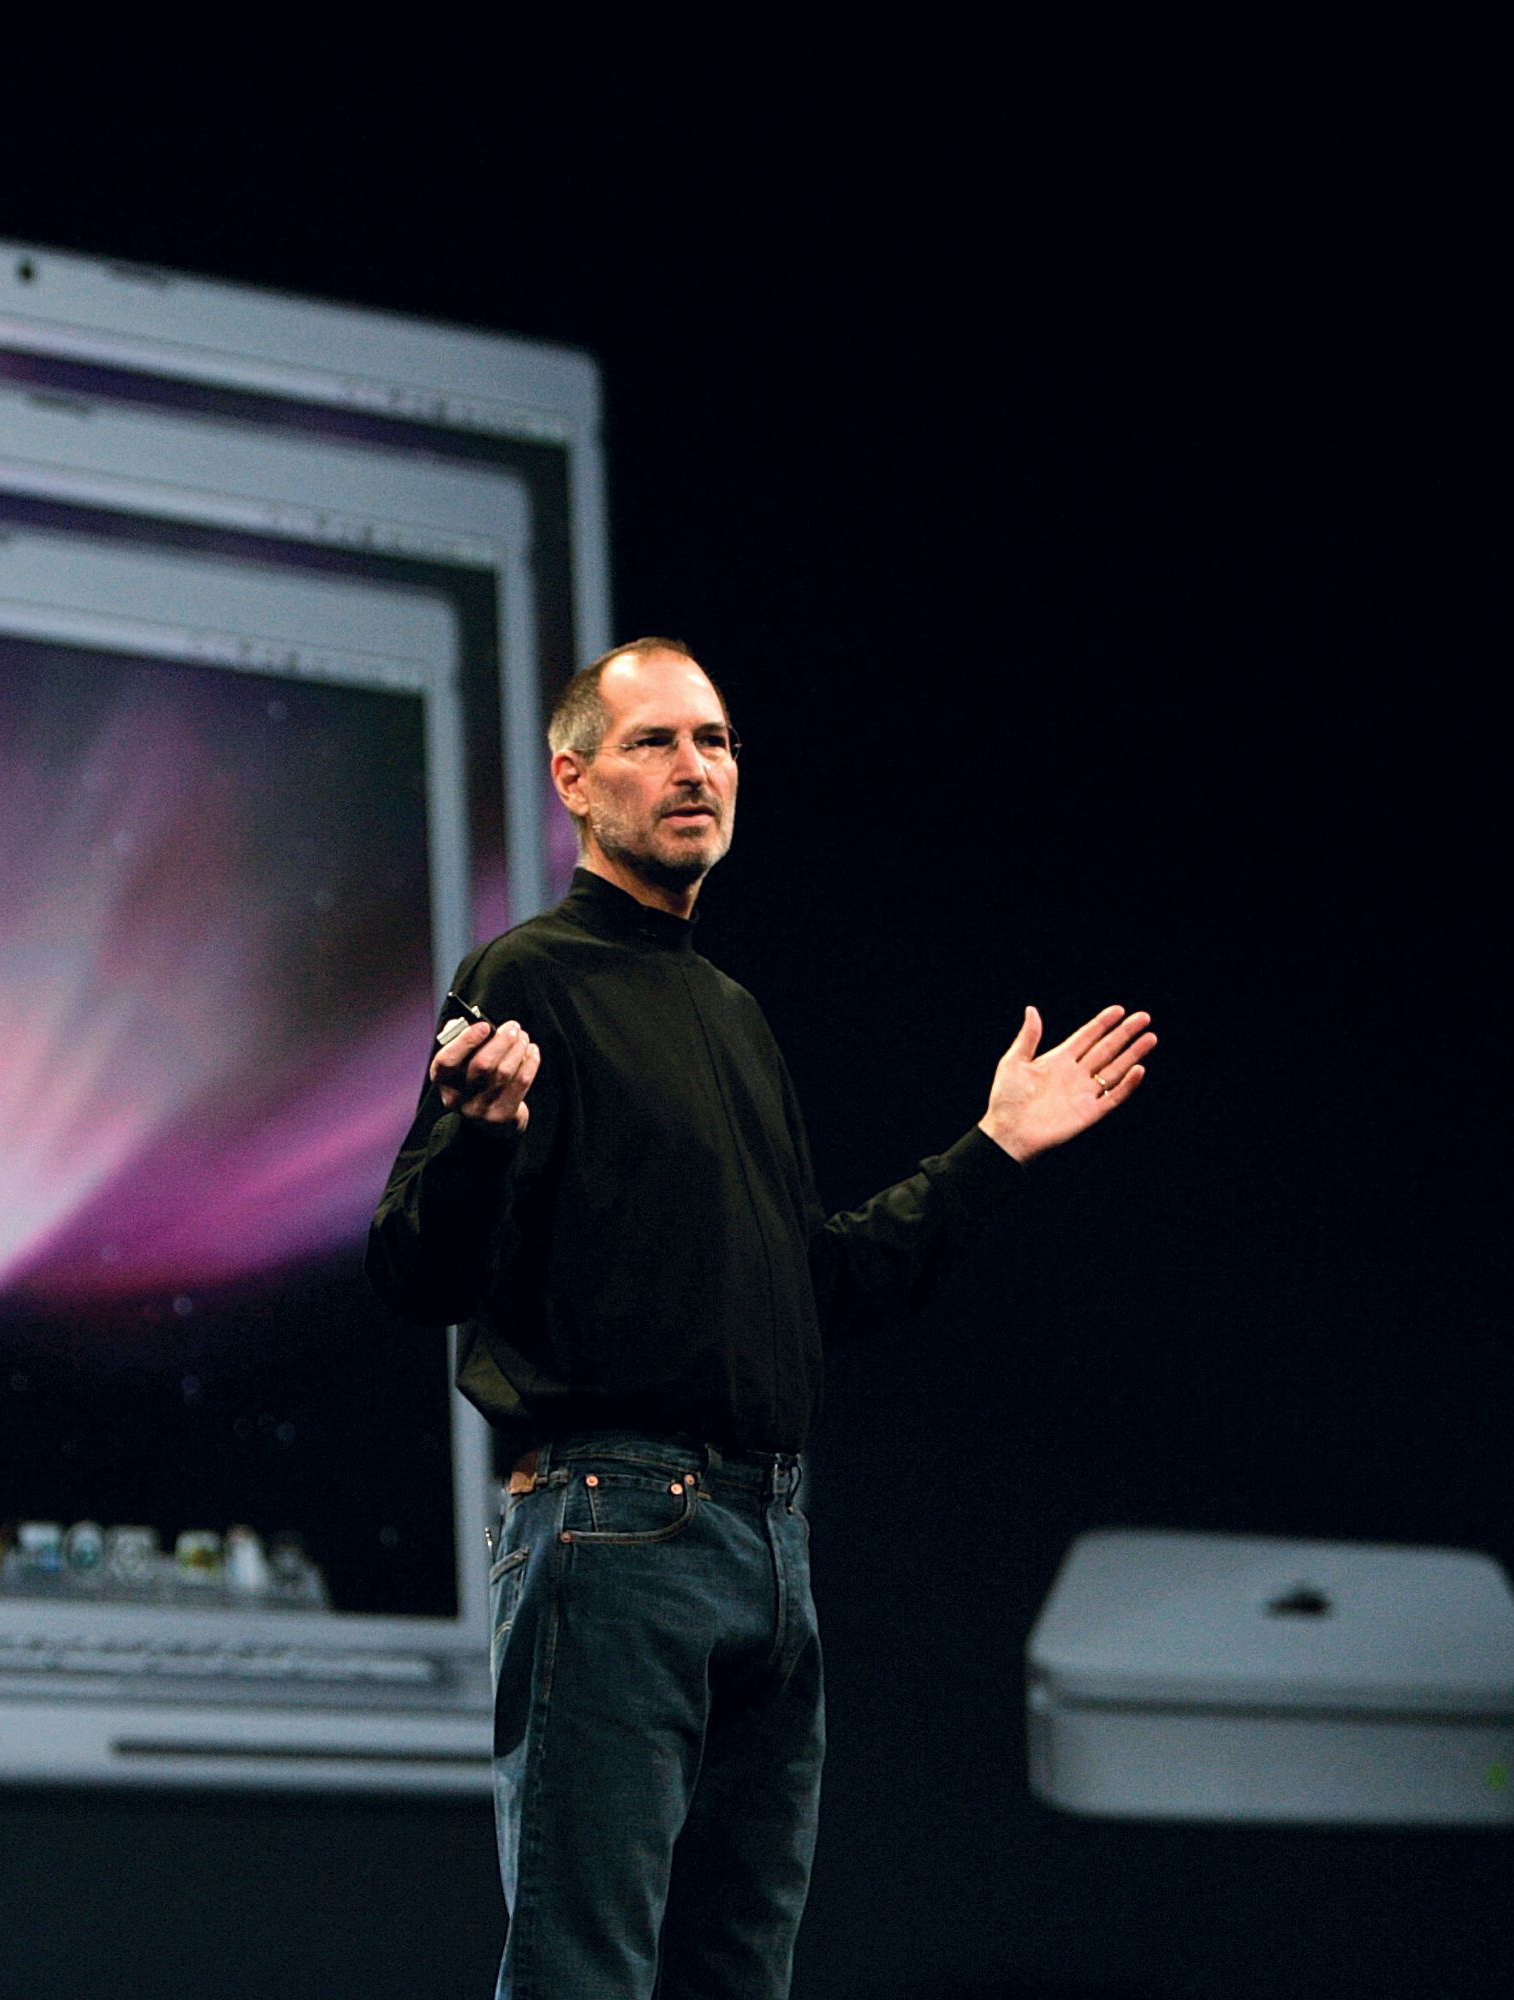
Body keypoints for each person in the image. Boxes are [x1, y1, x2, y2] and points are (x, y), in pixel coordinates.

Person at [366, 638, 1155, 1999]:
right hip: (618, 1535)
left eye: (716, 742)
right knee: (584, 1974)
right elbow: (414, 1273)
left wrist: (992, 1149)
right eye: (654, 742)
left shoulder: (731, 1014)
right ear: (574, 779)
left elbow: (820, 1287)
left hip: (768, 1543)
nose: (695, 769)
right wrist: (481, 1137)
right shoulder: (526, 980)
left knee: (741, 1977)